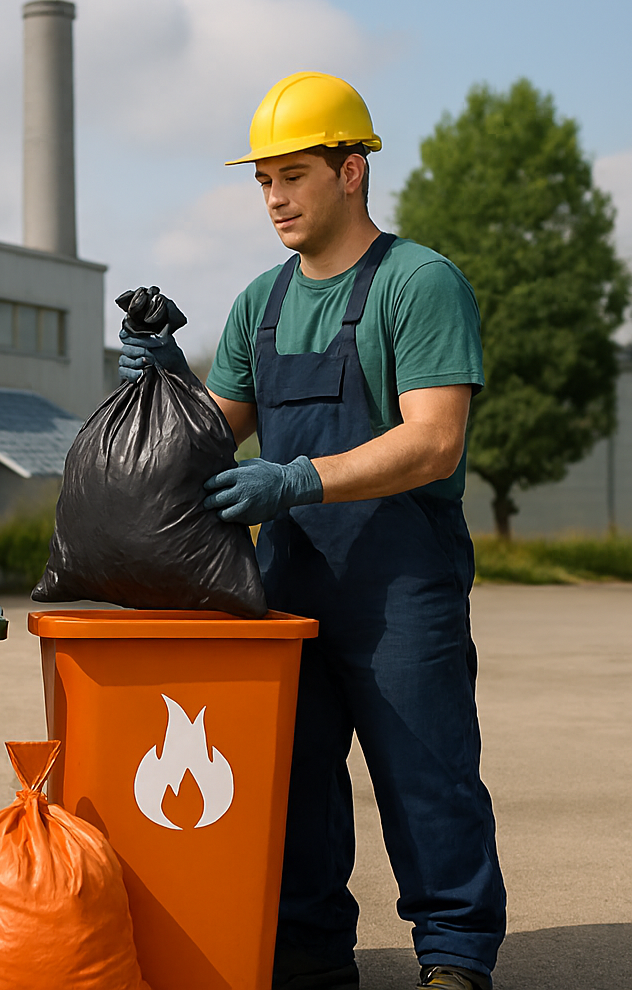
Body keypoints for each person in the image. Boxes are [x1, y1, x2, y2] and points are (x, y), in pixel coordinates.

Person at [117, 72, 506, 990]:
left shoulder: (421, 284)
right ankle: (310, 956)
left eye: (293, 173)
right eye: (263, 180)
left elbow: (434, 441)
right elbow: (211, 439)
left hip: (400, 584)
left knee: (427, 777)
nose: (275, 197)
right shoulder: (263, 300)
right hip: (288, 581)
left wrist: (296, 477)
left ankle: (454, 958)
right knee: (292, 790)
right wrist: (161, 379)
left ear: (352, 170)